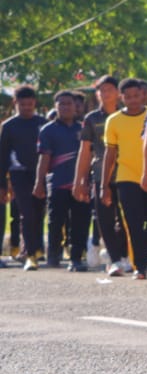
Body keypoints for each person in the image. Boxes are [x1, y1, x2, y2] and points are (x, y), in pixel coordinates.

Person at [101, 77, 147, 279]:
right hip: (126, 178)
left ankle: (143, 253)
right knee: (133, 223)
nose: (134, 100)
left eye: (137, 96)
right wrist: (104, 185)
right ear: (121, 97)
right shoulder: (114, 120)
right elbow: (110, 155)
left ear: (143, 95)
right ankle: (140, 266)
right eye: (129, 97)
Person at [73, 75, 125, 272]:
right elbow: (85, 151)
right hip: (100, 174)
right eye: (101, 90)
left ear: (118, 93)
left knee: (126, 218)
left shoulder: (127, 114)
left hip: (126, 173)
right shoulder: (91, 119)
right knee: (105, 219)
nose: (105, 94)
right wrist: (79, 180)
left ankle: (126, 255)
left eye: (110, 89)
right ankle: (115, 260)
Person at [35, 90, 90, 270]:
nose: (65, 107)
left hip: (81, 185)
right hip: (57, 184)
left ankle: (76, 258)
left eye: (69, 103)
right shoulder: (48, 130)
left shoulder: (83, 129)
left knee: (80, 221)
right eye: (62, 104)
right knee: (55, 221)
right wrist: (39, 182)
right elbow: (44, 159)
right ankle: (54, 256)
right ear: (55, 107)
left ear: (76, 107)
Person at [1, 85, 47, 268]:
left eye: (30, 104)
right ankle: (29, 255)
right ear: (15, 103)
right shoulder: (9, 126)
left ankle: (36, 249)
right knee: (26, 213)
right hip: (19, 174)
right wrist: (3, 184)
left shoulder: (43, 124)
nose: (26, 107)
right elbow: (2, 156)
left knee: (38, 213)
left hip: (41, 175)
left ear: (34, 103)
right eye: (22, 104)